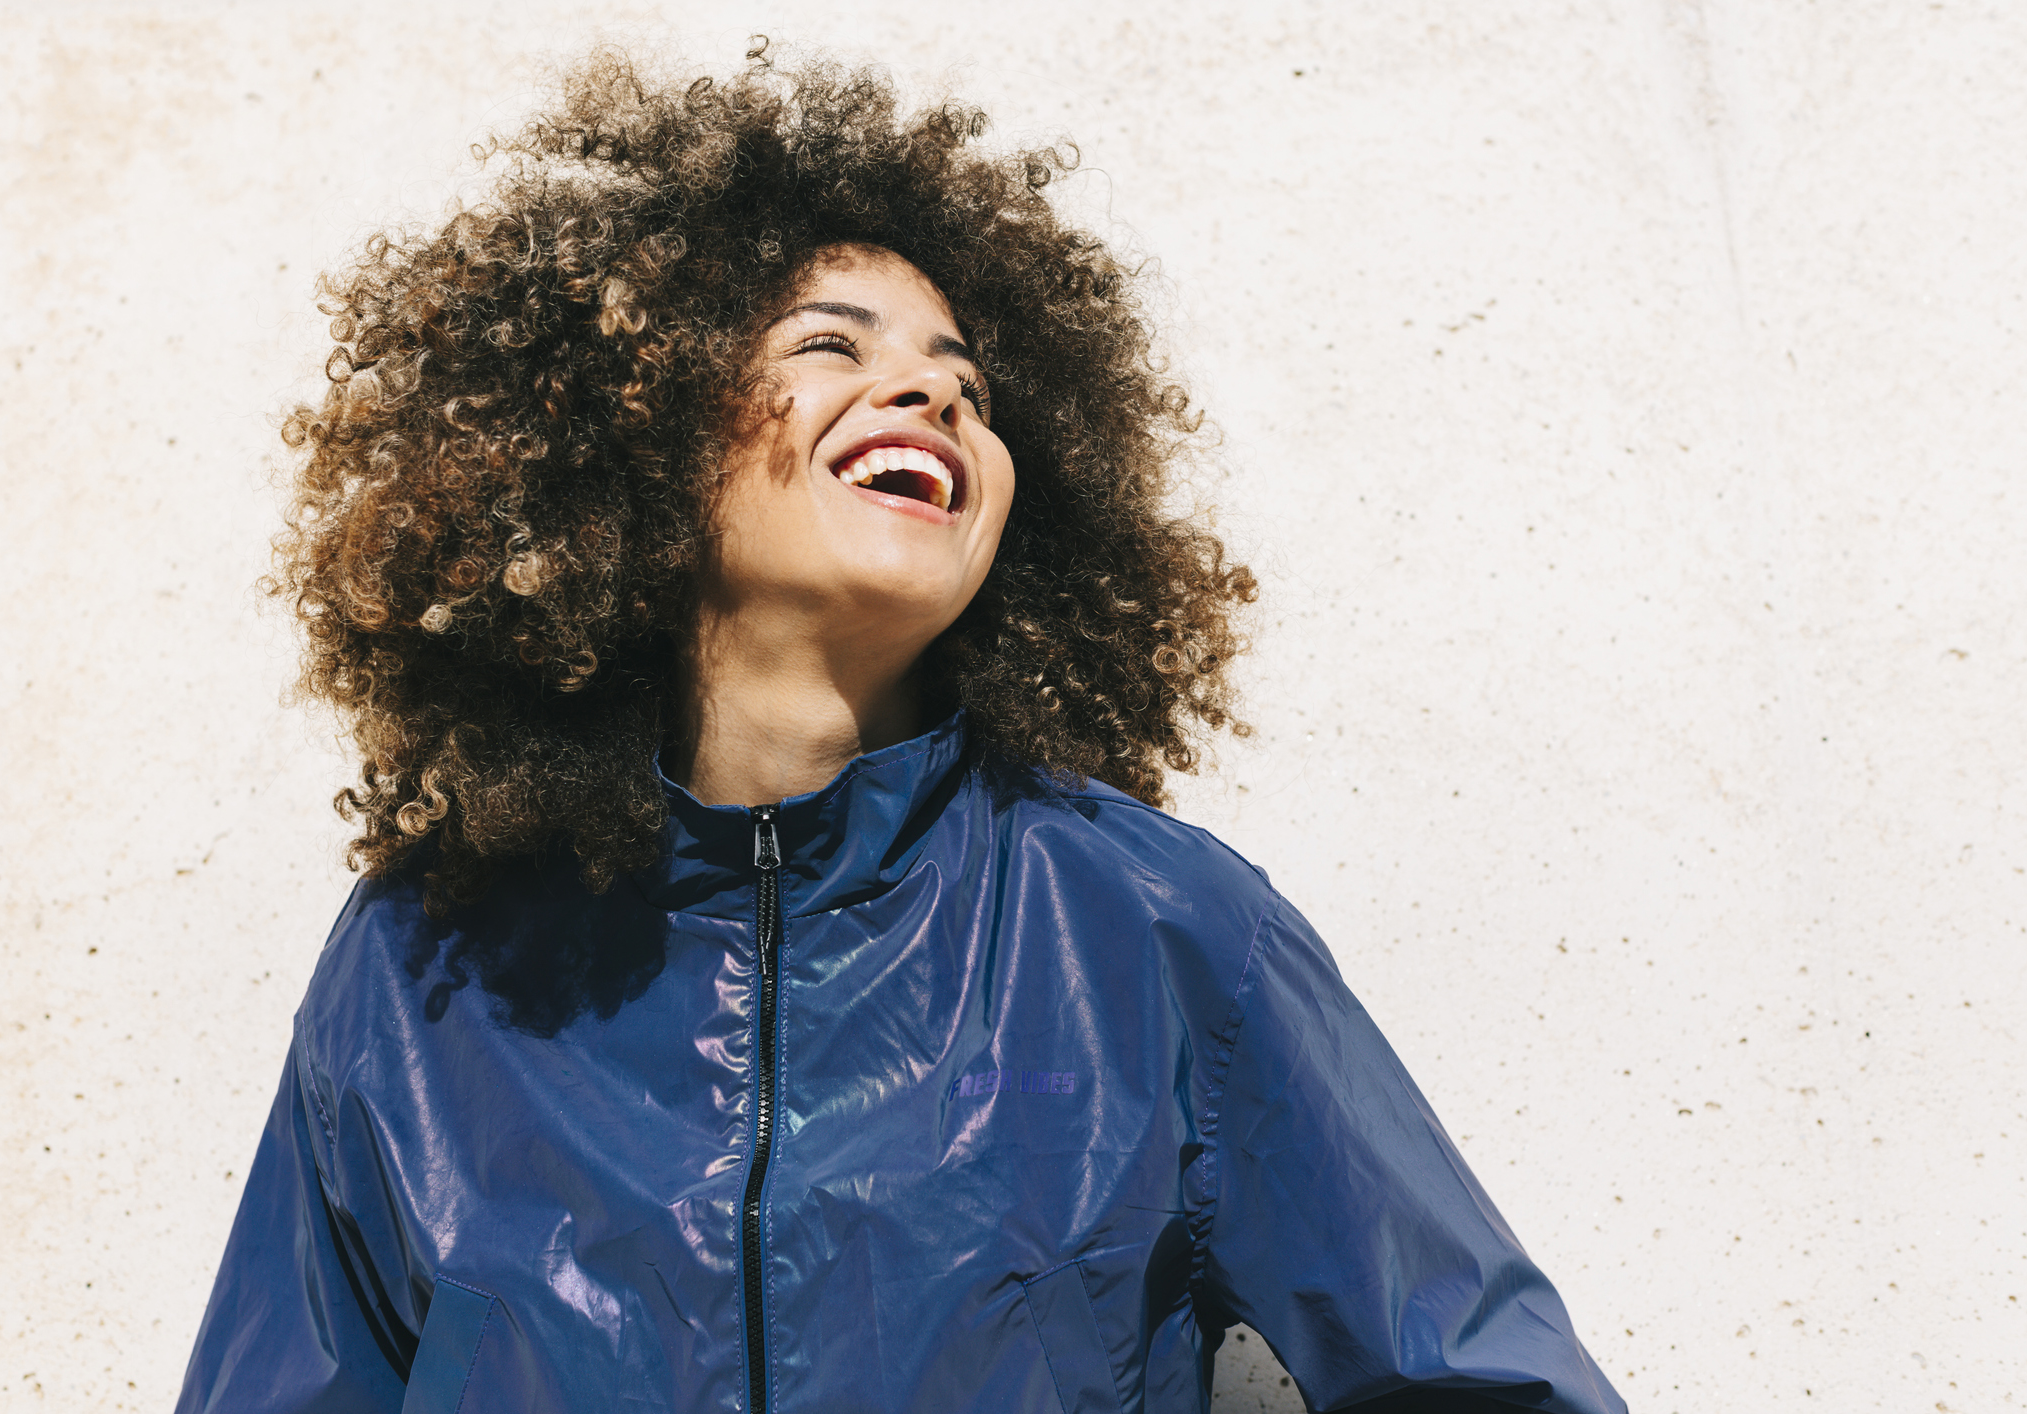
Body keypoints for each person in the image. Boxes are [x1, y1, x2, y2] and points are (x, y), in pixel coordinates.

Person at [178, 46, 1626, 1414]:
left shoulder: (1149, 928)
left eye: (968, 385)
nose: (932, 390)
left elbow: (1484, 1382)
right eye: (829, 341)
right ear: (635, 425)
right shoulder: (422, 966)